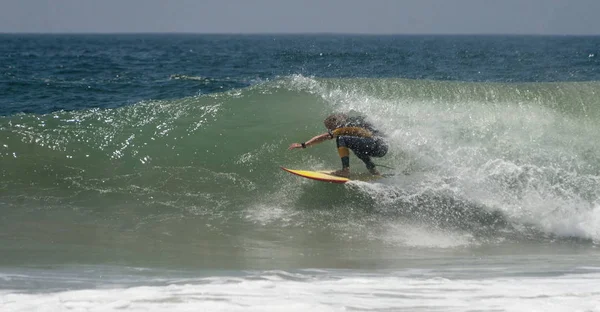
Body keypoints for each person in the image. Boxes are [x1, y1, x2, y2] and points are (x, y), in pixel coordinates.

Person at [288, 113, 388, 177]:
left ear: (335, 123)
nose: (330, 130)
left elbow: (323, 137)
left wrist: (303, 145)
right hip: (382, 146)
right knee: (356, 147)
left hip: (377, 145)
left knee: (342, 138)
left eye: (330, 127)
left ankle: (345, 170)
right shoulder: (354, 123)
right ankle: (374, 171)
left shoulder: (344, 126)